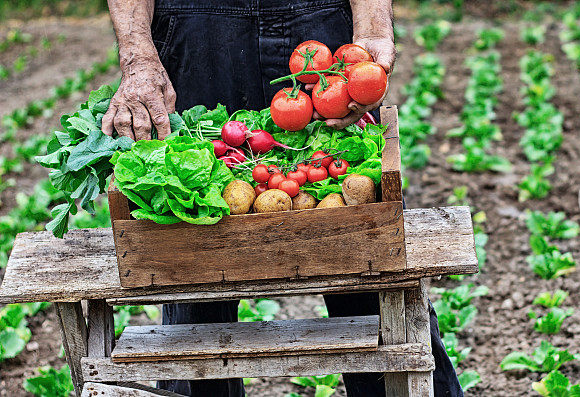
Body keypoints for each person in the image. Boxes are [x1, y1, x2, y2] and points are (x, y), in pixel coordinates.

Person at [101, 1, 464, 396]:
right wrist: (138, 57)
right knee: (193, 275)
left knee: (370, 262)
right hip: (196, 29)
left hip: (318, 26)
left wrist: (374, 27)